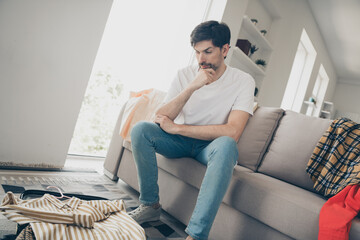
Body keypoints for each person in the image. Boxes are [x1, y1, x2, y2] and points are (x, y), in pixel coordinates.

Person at [128, 20, 255, 240]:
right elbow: (161, 117)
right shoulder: (185, 75)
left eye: (208, 51)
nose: (201, 60)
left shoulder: (243, 81)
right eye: (197, 53)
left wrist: (178, 128)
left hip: (210, 147)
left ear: (225, 50)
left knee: (227, 145)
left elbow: (233, 131)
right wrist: (192, 86)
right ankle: (150, 205)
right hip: (179, 142)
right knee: (141, 129)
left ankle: (196, 235)